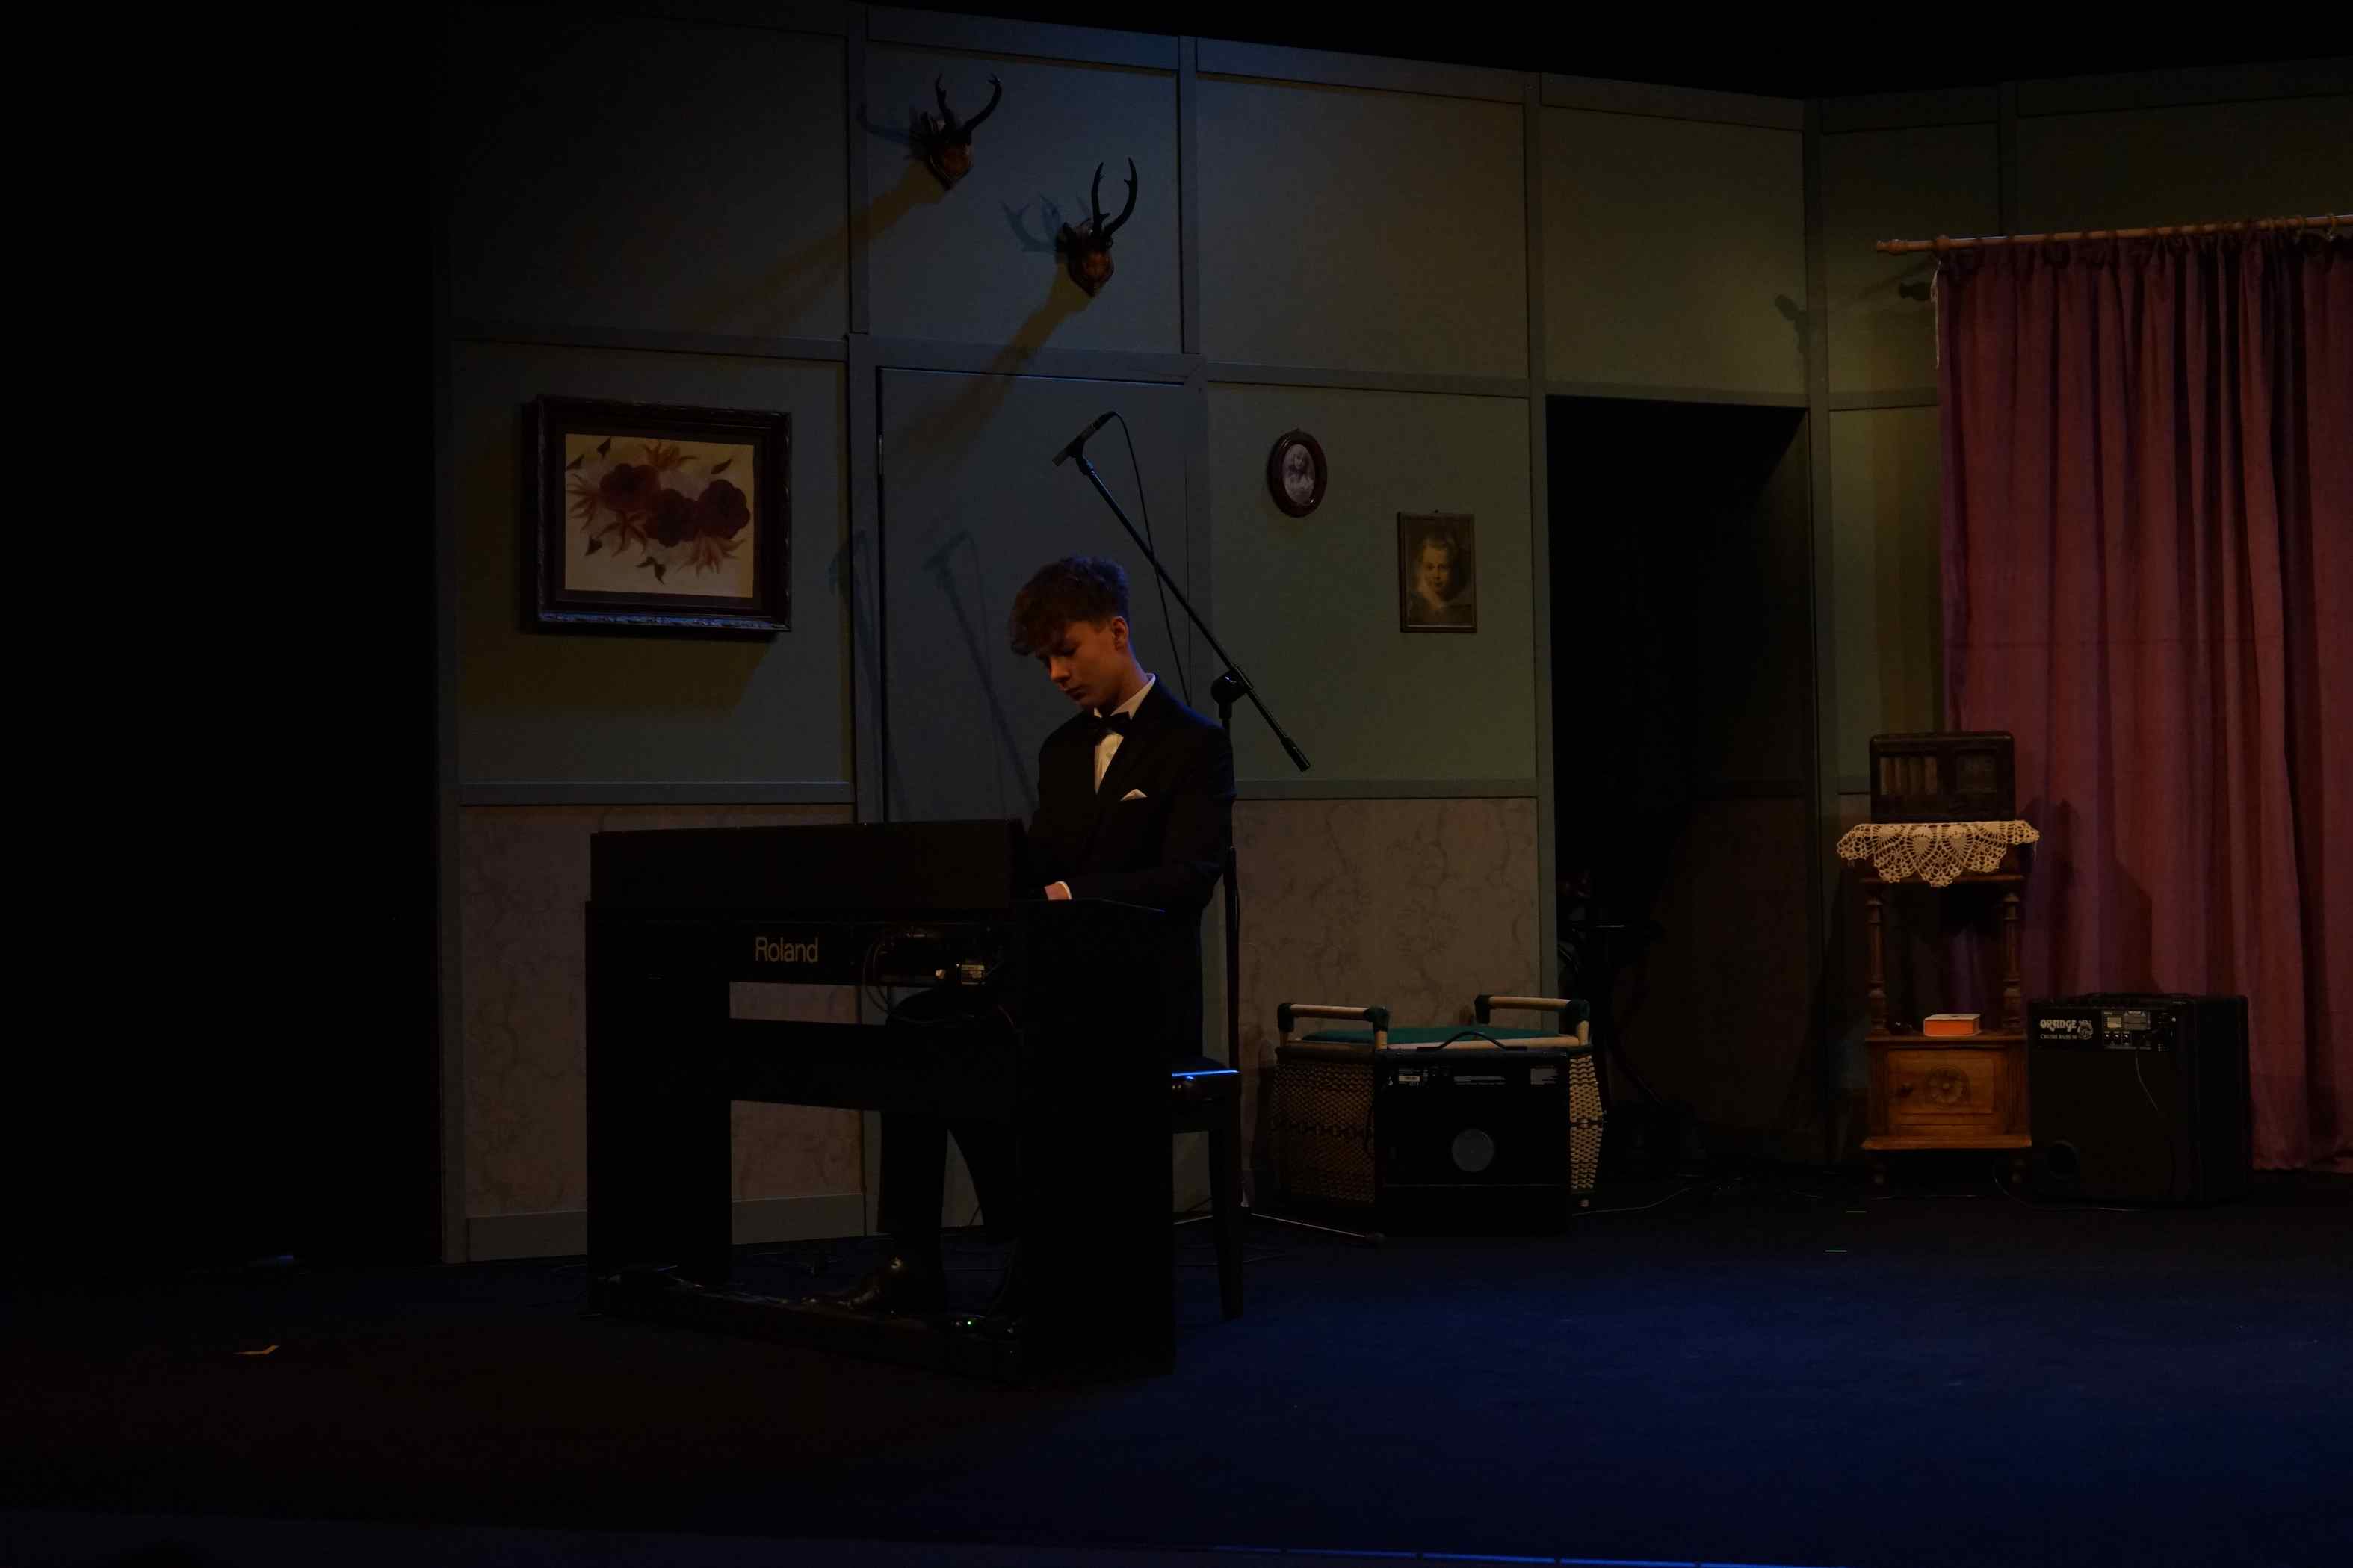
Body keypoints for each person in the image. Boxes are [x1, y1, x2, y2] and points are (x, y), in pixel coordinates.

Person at [820, 556, 1235, 1323]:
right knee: (915, 1026)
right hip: (1054, 983)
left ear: (1117, 632)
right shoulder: (1060, 750)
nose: (1055, 673)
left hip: (1137, 995)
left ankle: (1038, 1253)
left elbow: (1189, 877)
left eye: (1066, 650)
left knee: (1006, 1047)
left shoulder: (1194, 744)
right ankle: (913, 1260)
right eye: (1045, 659)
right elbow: (1039, 865)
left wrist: (1072, 894)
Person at [1404, 527, 1474, 627]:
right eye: (1429, 567)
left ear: (1453, 568)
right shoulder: (1411, 607)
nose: (1436, 575)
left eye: (1443, 567)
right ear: (1421, 567)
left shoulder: (1466, 609)